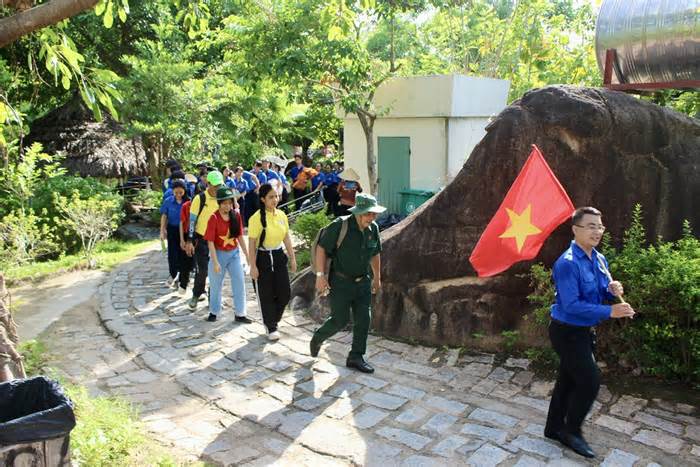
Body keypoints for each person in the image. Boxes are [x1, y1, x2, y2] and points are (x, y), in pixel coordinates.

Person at [544, 207, 635, 459]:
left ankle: (553, 428)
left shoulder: (599, 259)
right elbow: (571, 306)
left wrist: (611, 290)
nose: (597, 231)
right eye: (591, 226)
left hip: (584, 331)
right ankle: (571, 431)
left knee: (569, 378)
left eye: (600, 226)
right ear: (576, 229)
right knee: (589, 380)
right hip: (567, 331)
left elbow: (600, 293)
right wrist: (610, 312)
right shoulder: (567, 264)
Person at [310, 193, 384, 373]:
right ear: (358, 213)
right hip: (341, 282)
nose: (372, 217)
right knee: (339, 320)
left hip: (363, 282)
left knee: (364, 319)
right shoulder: (340, 226)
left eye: (374, 214)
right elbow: (321, 248)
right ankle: (318, 337)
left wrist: (377, 277)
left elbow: (375, 254)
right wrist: (320, 275)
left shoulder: (372, 228)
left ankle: (356, 356)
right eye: (368, 213)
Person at [248, 184, 297, 341]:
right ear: (263, 199)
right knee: (266, 293)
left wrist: (292, 257)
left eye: (276, 196)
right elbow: (252, 244)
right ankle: (271, 326)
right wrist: (253, 266)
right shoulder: (256, 218)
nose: (275, 199)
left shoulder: (282, 215)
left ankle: (272, 319)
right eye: (271, 197)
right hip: (262, 257)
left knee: (285, 293)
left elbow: (286, 237)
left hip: (278, 256)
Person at [204, 186, 251, 323]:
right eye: (224, 203)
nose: (227, 206)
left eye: (230, 203)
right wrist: (215, 262)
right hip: (218, 254)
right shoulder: (213, 217)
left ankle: (240, 313)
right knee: (216, 284)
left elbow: (240, 237)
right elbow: (210, 242)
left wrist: (247, 255)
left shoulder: (236, 215)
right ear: (219, 203)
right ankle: (214, 311)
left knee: (239, 282)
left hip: (234, 254)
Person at [185, 171, 224, 310]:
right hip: (202, 240)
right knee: (202, 270)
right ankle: (196, 294)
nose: (218, 188)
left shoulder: (222, 198)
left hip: (219, 241)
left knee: (217, 270)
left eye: (220, 185)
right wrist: (189, 241)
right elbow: (192, 221)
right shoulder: (200, 199)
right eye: (215, 186)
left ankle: (213, 297)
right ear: (208, 184)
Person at [160, 179, 188, 289]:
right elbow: (164, 216)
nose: (178, 195)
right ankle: (173, 274)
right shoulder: (168, 201)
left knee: (183, 255)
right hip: (172, 229)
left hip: (184, 231)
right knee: (172, 254)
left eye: (181, 192)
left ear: (184, 191)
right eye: (176, 193)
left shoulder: (188, 202)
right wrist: (162, 230)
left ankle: (182, 277)